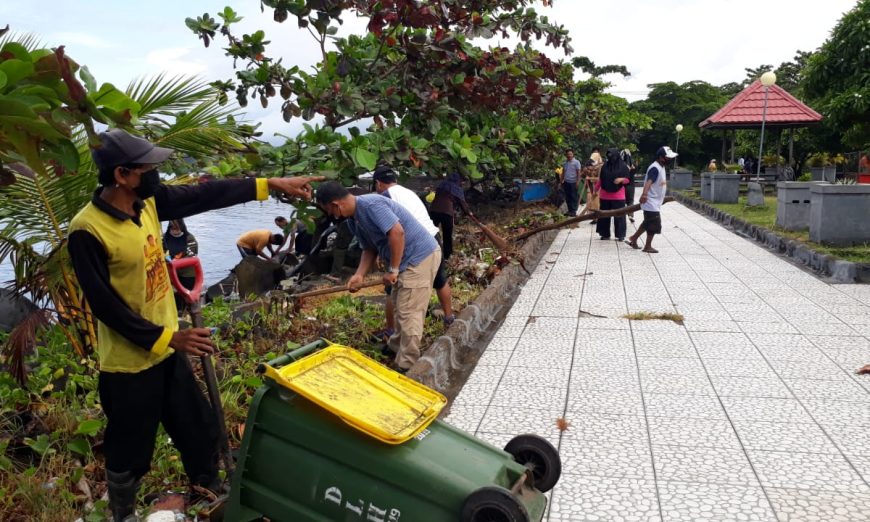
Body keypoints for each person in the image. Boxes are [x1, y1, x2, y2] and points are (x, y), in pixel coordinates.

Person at [66, 129, 321, 521]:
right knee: (129, 449)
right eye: (148, 168)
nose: (156, 174)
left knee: (197, 428)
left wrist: (267, 185)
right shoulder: (88, 231)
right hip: (131, 363)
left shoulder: (147, 203)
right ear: (122, 174)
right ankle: (124, 512)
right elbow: (104, 306)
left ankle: (209, 491)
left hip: (170, 351)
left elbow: (203, 194)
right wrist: (169, 338)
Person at [316, 181, 441, 372]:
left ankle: (407, 364)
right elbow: (369, 249)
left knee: (410, 312)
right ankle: (395, 347)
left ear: (335, 204)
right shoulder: (353, 220)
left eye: (329, 211)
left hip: (420, 256)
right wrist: (359, 275)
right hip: (405, 260)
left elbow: (396, 232)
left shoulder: (371, 204)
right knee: (400, 305)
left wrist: (393, 269)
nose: (331, 216)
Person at [373, 166, 456, 336]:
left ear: (378, 183)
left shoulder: (385, 197)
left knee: (392, 287)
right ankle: (449, 318)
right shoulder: (407, 192)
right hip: (433, 238)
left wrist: (388, 259)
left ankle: (390, 330)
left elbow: (394, 230)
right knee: (440, 281)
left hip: (415, 243)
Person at [626, 146, 677, 254]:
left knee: (647, 222)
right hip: (650, 201)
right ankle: (647, 246)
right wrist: (644, 194)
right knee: (654, 224)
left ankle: (633, 238)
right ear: (661, 157)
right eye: (668, 157)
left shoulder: (661, 166)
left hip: (655, 201)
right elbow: (649, 181)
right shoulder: (655, 168)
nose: (670, 160)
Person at [162, 218, 198, 313]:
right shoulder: (165, 237)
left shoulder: (189, 238)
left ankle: (189, 310)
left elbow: (192, 253)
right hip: (172, 271)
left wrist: (176, 259)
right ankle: (178, 311)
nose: (175, 230)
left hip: (187, 272)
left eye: (177, 228)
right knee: (174, 294)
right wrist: (166, 257)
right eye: (172, 228)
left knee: (187, 292)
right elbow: (161, 251)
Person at [595, 149, 631, 241]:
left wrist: (621, 180)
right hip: (604, 195)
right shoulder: (605, 166)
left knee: (619, 216)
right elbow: (601, 179)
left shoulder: (623, 166)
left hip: (618, 196)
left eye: (613, 156)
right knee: (604, 216)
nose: (611, 159)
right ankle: (605, 234)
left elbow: (628, 180)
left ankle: (620, 235)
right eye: (609, 157)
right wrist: (595, 189)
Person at [559, 149, 582, 216]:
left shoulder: (576, 162)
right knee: (568, 197)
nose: (569, 155)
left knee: (573, 197)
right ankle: (569, 210)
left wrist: (578, 182)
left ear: (573, 154)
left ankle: (573, 211)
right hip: (566, 182)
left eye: (570, 154)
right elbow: (563, 173)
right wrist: (561, 182)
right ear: (566, 155)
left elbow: (578, 173)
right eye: (568, 154)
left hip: (573, 182)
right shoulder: (565, 163)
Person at [620, 148, 637, 223]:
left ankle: (622, 216)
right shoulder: (632, 165)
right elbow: (633, 172)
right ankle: (630, 215)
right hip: (630, 185)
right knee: (630, 201)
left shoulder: (619, 165)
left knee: (622, 202)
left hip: (622, 186)